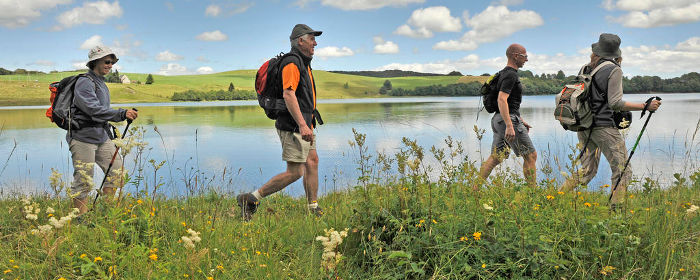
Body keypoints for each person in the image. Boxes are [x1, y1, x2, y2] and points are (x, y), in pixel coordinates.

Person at [558, 33, 661, 207]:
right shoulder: (614, 70)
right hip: (604, 128)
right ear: (615, 52)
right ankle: (616, 213)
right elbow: (615, 103)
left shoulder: (585, 68)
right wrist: (645, 106)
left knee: (586, 170)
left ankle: (553, 200)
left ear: (597, 49)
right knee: (623, 171)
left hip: (584, 125)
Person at [237, 24, 324, 221]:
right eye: (312, 39)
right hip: (294, 125)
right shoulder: (292, 62)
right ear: (300, 40)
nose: (315, 43)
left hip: (304, 124)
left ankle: (313, 207)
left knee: (312, 161)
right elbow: (288, 94)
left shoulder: (303, 62)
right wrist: (302, 125)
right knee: (295, 172)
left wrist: (307, 124)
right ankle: (251, 199)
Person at [70, 45, 138, 214]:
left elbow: (100, 112)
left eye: (112, 62)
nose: (110, 65)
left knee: (117, 173)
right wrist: (122, 114)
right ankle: (81, 221)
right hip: (82, 138)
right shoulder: (84, 82)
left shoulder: (101, 83)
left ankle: (106, 214)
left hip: (101, 137)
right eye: (107, 61)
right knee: (84, 181)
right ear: (95, 62)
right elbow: (92, 109)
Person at [477, 44, 538, 188]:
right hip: (507, 121)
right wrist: (510, 125)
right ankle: (534, 195)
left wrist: (520, 120)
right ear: (515, 56)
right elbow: (501, 99)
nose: (526, 60)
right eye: (525, 56)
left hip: (499, 120)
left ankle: (474, 189)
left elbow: (510, 103)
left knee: (496, 157)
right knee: (531, 156)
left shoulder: (503, 73)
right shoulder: (511, 74)